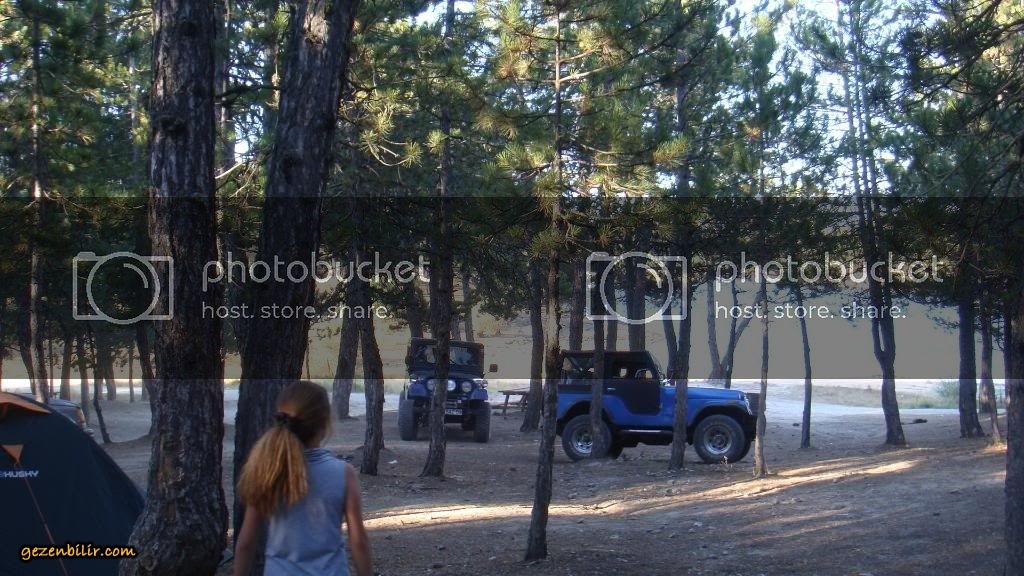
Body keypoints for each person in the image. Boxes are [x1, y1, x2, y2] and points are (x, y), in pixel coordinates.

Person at [233, 381, 372, 576]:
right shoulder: (344, 473)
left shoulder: (267, 471)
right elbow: (358, 542)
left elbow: (246, 544)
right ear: (324, 425)